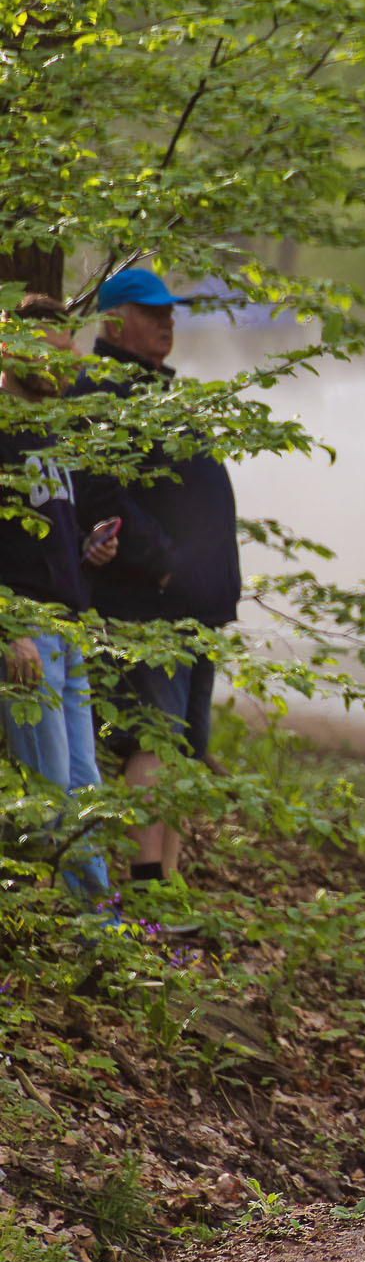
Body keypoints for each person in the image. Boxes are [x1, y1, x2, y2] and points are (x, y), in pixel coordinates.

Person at [75, 268, 241, 885]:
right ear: (113, 321)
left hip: (188, 606)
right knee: (151, 741)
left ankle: (166, 889)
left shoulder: (153, 391)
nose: (166, 321)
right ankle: (147, 888)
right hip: (146, 608)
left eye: (169, 311)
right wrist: (164, 566)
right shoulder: (101, 392)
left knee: (181, 748)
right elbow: (100, 494)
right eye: (151, 312)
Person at [0, 295, 121, 896]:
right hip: (26, 636)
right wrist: (9, 627)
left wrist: (86, 550)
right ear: (10, 349)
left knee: (82, 785)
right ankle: (33, 922)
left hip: (67, 630)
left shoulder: (49, 432)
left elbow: (41, 537)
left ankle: (99, 927)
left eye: (69, 349)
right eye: (52, 350)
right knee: (46, 798)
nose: (67, 363)